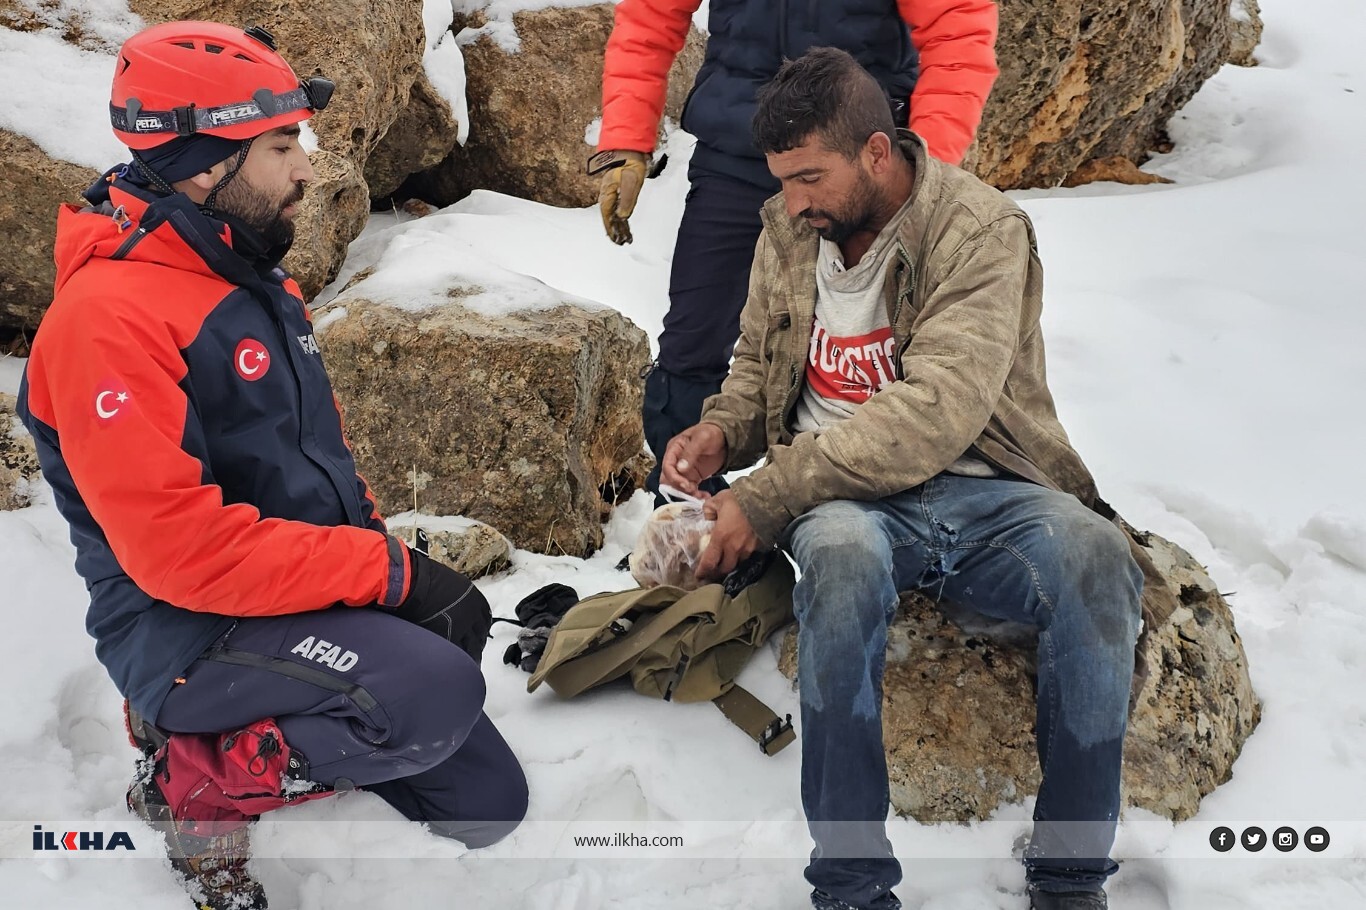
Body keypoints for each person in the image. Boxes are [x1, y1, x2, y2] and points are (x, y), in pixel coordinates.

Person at [17, 21, 526, 910]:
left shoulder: (246, 273)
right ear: (202, 166)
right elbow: (179, 552)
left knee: (486, 804)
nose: (307, 170)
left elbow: (318, 459)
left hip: (285, 597)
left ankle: (278, 728)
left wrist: (381, 568)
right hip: (186, 630)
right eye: (281, 147)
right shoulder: (108, 319)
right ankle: (193, 780)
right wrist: (389, 573)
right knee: (429, 696)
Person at [662, 48, 1159, 910]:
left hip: (987, 484)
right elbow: (758, 362)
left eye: (810, 177)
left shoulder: (979, 229)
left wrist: (767, 494)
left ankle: (1072, 877)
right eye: (782, 180)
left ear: (876, 152)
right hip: (844, 499)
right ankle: (851, 885)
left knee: (1095, 557)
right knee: (842, 561)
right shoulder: (790, 227)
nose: (794, 202)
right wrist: (720, 431)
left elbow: (937, 412)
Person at [590, 0, 999, 500]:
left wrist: (922, 179)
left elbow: (957, 28)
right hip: (735, 158)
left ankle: (880, 517)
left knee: (879, 352)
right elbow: (650, 15)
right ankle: (685, 516)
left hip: (856, 165)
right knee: (692, 344)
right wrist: (626, 139)